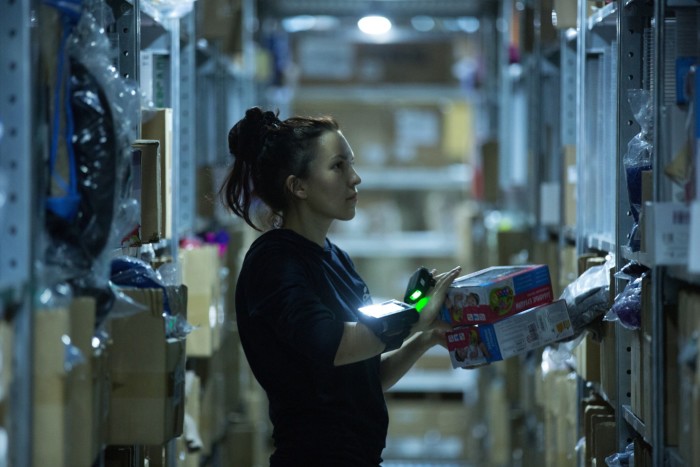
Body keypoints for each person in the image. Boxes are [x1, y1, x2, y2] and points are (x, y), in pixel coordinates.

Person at [220, 107, 463, 466]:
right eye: (338, 166)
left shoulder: (337, 259)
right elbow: (333, 344)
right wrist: (414, 316)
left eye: (351, 164)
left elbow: (366, 377)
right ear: (297, 186)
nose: (356, 178)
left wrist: (425, 338)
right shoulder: (273, 262)